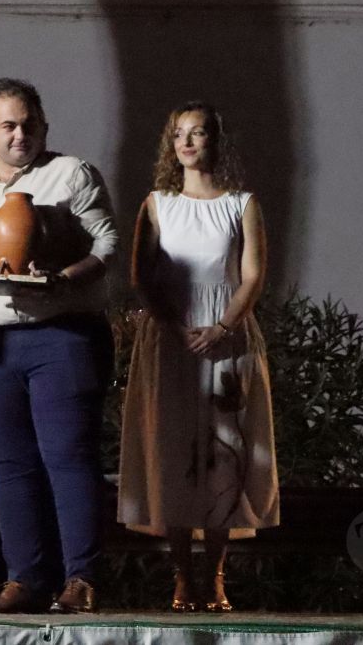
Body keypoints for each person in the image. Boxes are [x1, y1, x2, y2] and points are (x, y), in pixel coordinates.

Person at [0, 78, 117, 614]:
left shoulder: (72, 174)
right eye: (9, 126)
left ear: (44, 126)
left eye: (30, 125)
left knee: (67, 458)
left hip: (59, 335)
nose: (21, 135)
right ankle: (24, 579)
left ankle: (80, 577)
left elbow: (108, 240)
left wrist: (65, 276)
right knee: (7, 465)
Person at [117, 102, 279, 613]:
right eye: (180, 134)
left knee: (224, 452)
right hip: (171, 339)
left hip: (226, 337)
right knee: (175, 453)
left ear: (215, 141)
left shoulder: (241, 203)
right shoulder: (158, 203)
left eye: (199, 133)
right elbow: (142, 274)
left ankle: (217, 576)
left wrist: (223, 326)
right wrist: (176, 325)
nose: (188, 142)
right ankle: (184, 577)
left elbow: (252, 275)